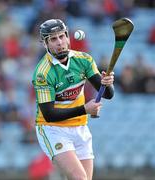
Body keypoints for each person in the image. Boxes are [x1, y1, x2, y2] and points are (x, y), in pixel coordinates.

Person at [32, 19, 114, 180]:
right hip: (53, 129)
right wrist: (85, 109)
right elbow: (49, 114)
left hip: (80, 127)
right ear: (45, 44)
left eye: (62, 37)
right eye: (53, 39)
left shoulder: (84, 60)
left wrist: (107, 83)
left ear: (68, 37)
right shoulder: (43, 73)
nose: (60, 43)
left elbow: (108, 94)